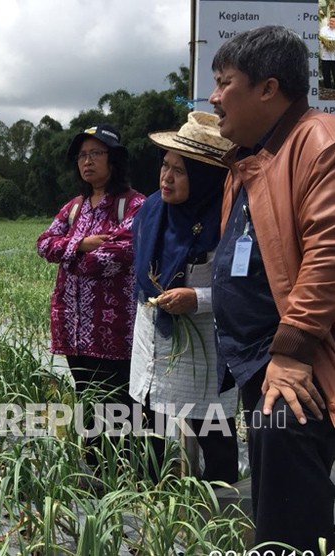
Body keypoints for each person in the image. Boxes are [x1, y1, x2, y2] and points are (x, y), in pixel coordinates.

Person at [210, 25, 335, 550]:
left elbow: (329, 251)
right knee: (276, 499)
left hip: (296, 366)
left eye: (225, 82)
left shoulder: (318, 143)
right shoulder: (247, 160)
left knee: (291, 523)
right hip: (260, 362)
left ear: (268, 87)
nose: (214, 97)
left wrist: (291, 349)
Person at [130, 111, 238, 484]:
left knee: (213, 427)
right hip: (153, 334)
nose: (166, 176)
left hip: (204, 341)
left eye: (180, 169)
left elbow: (246, 285)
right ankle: (149, 497)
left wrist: (199, 298)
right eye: (165, 165)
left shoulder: (230, 220)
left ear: (207, 176)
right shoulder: (150, 211)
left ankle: (219, 509)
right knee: (149, 419)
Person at [36, 125, 145, 419]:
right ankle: (98, 465)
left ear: (114, 159)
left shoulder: (135, 205)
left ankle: (132, 466)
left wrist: (68, 256)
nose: (87, 161)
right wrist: (82, 244)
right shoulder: (75, 207)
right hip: (73, 330)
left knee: (126, 409)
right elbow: (44, 244)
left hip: (115, 334)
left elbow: (113, 256)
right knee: (89, 404)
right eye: (82, 155)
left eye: (95, 153)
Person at [320, 16, 335, 90]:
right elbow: (321, 39)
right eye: (331, 21)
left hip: (334, 56)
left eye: (333, 21)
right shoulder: (324, 29)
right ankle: (328, 89)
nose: (331, 22)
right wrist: (326, 43)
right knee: (326, 74)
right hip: (325, 56)